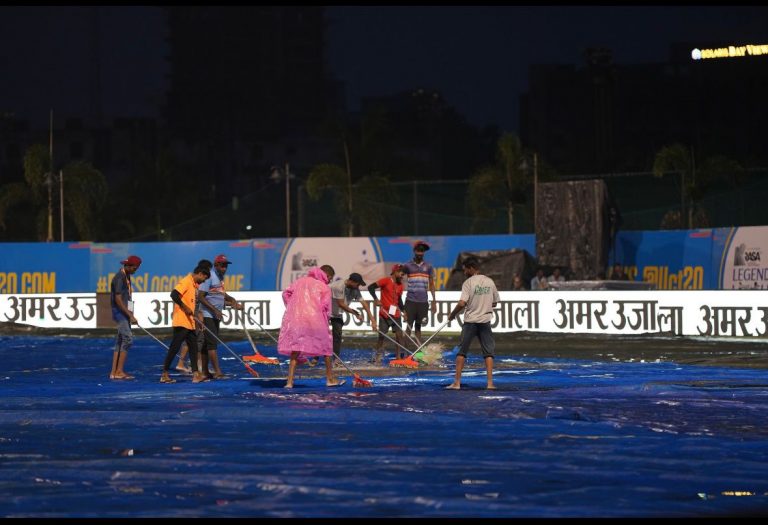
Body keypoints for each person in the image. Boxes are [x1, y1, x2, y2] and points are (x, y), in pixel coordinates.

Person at [278, 266, 344, 389]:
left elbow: (285, 293)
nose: (329, 281)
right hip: (316, 319)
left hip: (297, 319)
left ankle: (289, 382)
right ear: (327, 275)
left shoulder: (300, 281)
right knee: (326, 348)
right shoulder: (324, 287)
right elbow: (326, 308)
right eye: (330, 278)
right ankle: (330, 379)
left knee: (295, 349)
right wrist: (326, 321)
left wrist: (292, 306)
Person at [445, 257, 500, 390]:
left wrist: (452, 314)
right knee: (488, 353)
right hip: (485, 322)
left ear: (470, 268)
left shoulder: (468, 283)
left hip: (470, 322)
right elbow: (495, 302)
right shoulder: (489, 281)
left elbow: (462, 303)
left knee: (462, 352)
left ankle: (457, 383)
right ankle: (490, 383)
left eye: (465, 269)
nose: (464, 272)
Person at [160, 265, 211, 384]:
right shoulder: (186, 281)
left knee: (193, 349)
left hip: (190, 323)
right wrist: (184, 307)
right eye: (204, 278)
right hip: (182, 322)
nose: (204, 281)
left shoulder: (194, 285)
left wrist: (198, 319)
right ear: (199, 273)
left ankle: (195, 375)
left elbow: (193, 305)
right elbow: (173, 294)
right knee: (174, 347)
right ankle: (164, 374)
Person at [314, 272, 376, 365]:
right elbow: (341, 304)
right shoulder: (338, 286)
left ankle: (336, 359)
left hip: (337, 314)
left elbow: (364, 304)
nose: (358, 286)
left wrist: (373, 320)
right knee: (322, 334)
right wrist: (355, 314)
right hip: (325, 311)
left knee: (337, 335)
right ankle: (316, 357)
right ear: (351, 281)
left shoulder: (355, 289)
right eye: (357, 284)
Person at [198, 254, 244, 379]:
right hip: (208, 314)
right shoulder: (209, 277)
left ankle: (205, 372)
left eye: (226, 266)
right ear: (216, 265)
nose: (225, 268)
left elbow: (219, 295)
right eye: (222, 265)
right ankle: (217, 372)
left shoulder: (220, 277)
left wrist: (232, 300)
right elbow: (200, 296)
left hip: (215, 314)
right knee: (212, 344)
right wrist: (214, 310)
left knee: (208, 344)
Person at [176, 258, 212, 374]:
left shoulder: (195, 281)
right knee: (198, 339)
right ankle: (195, 364)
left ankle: (185, 364)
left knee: (191, 339)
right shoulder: (194, 282)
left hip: (193, 313)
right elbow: (196, 301)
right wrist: (199, 315)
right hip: (192, 314)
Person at [109, 254, 142, 380]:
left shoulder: (126, 276)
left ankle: (114, 372)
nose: (135, 271)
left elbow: (127, 297)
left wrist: (131, 314)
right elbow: (118, 299)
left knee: (120, 341)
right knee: (128, 339)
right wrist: (129, 315)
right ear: (128, 266)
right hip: (120, 313)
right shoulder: (119, 278)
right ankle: (119, 371)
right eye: (134, 268)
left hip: (125, 313)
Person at [368, 264, 407, 363]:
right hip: (384, 314)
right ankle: (377, 357)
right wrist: (376, 299)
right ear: (395, 272)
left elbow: (399, 300)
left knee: (399, 335)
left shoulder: (400, 285)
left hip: (396, 314)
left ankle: (398, 357)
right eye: (401, 273)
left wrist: (404, 311)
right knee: (381, 337)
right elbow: (370, 287)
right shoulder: (385, 280)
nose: (403, 276)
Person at [402, 240, 436, 348]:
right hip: (410, 301)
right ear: (414, 251)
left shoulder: (428, 266)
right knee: (408, 327)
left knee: (418, 327)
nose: (420, 253)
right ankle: (405, 352)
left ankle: (418, 353)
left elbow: (431, 284)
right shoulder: (407, 265)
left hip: (423, 302)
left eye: (422, 251)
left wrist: (434, 301)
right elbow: (398, 277)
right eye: (419, 250)